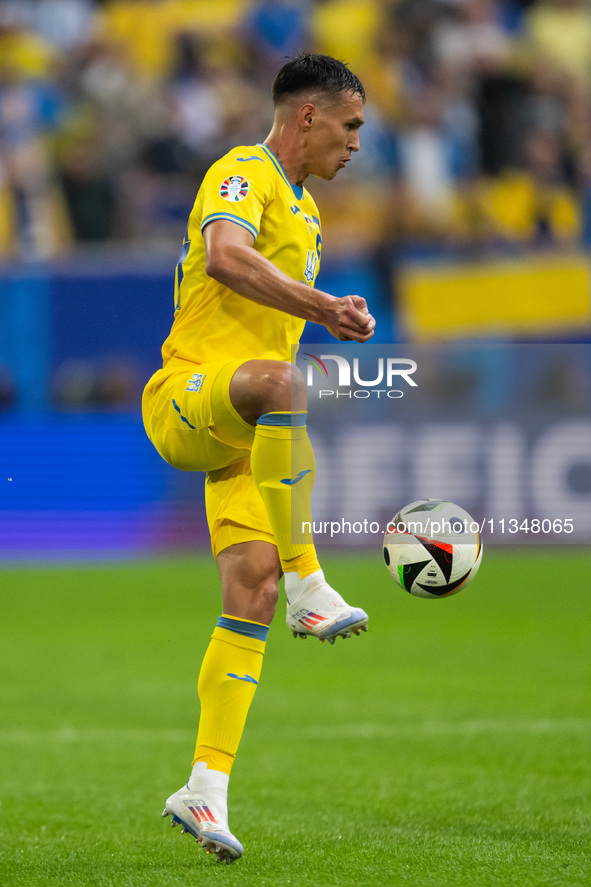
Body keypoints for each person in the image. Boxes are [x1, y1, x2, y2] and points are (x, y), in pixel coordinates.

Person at [142, 52, 374, 864]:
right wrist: (322, 305)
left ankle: (203, 788)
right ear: (306, 117)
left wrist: (316, 309)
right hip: (186, 396)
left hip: (241, 431)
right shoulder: (242, 171)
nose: (354, 146)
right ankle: (312, 579)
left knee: (250, 589)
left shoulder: (307, 215)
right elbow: (224, 258)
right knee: (284, 380)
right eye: (348, 128)